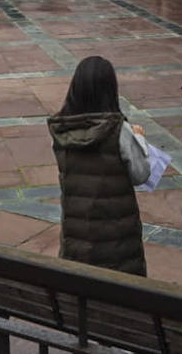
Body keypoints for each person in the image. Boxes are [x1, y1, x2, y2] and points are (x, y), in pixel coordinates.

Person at [48, 56, 150, 275]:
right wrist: (139, 139)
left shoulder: (61, 131)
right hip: (116, 234)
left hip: (77, 231)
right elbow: (141, 175)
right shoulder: (119, 131)